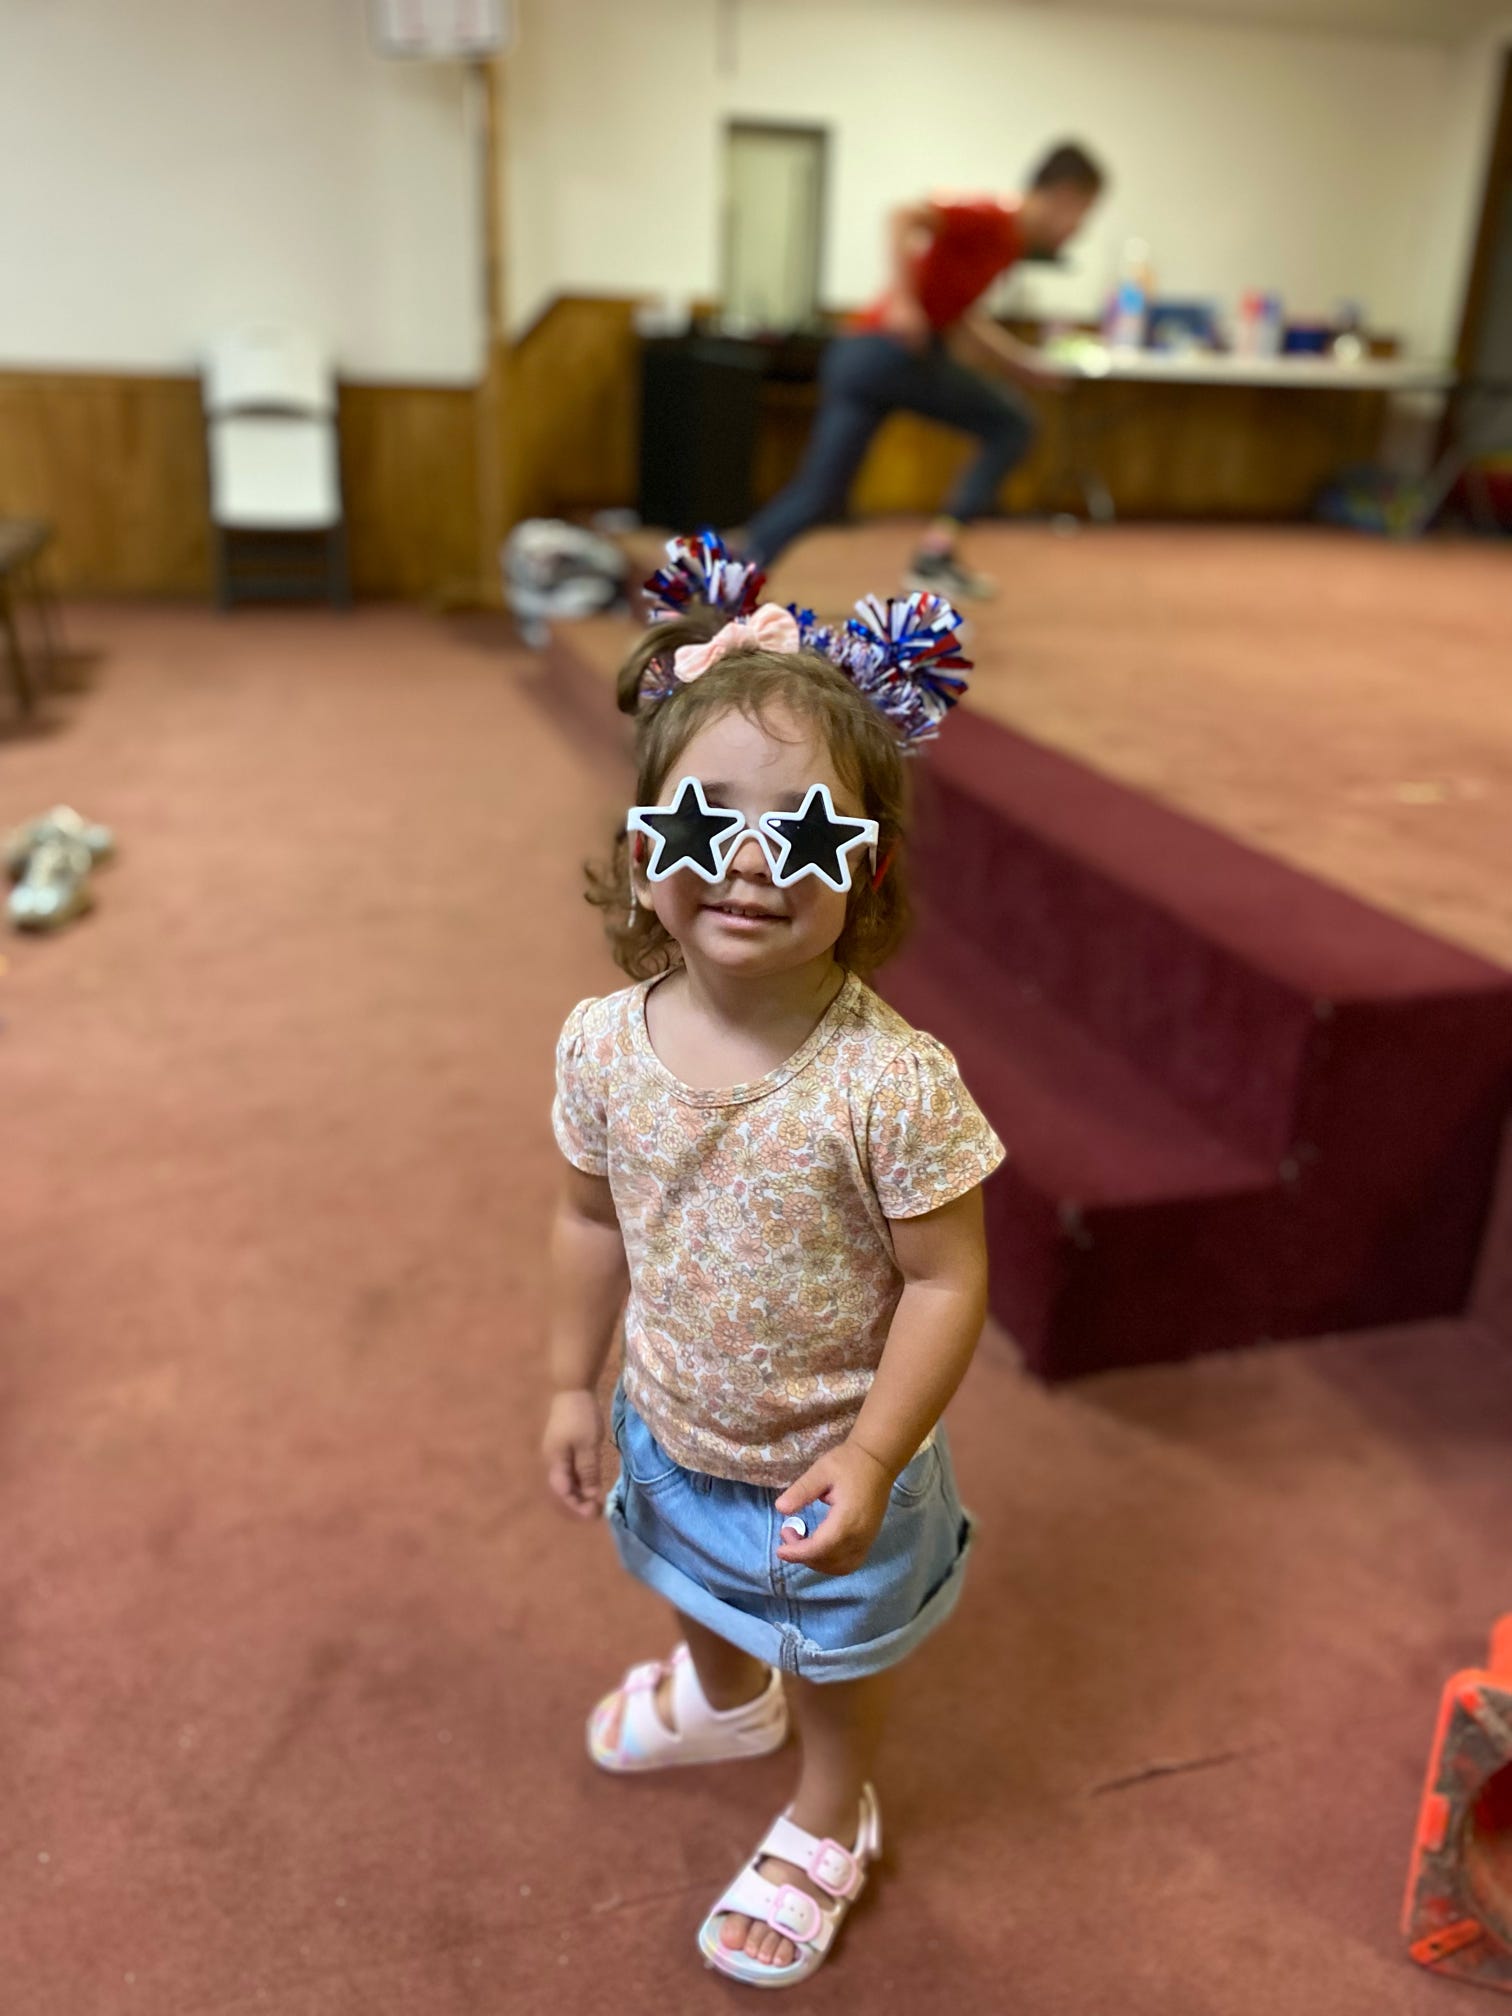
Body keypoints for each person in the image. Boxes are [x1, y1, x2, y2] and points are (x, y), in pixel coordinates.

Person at [541, 534, 1005, 1988]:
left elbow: (947, 1280)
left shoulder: (892, 1083)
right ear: (643, 851)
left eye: (802, 833)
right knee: (684, 1573)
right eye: (705, 822)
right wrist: (567, 1383)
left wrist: (872, 1456)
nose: (748, 863)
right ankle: (722, 1697)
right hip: (668, 1421)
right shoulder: (601, 1045)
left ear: (866, 870)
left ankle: (826, 1805)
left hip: (824, 1465)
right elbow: (587, 1218)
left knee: (835, 1656)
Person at [741, 141, 1107, 602]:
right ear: (1065, 195)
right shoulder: (995, 217)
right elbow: (902, 215)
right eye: (1083, 213)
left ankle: (726, 578)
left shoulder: (1007, 245)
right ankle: (936, 556)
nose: (1079, 230)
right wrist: (903, 300)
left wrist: (1022, 365)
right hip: (888, 355)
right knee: (1011, 424)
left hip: (861, 358)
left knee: (820, 496)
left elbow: (963, 318)